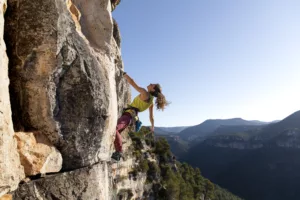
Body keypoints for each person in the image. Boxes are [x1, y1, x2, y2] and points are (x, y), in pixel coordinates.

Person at [111, 71, 169, 161]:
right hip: (132, 117)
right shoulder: (151, 102)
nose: (150, 83)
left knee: (114, 129)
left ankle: (119, 152)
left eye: (152, 85)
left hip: (128, 115)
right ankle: (117, 151)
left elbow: (132, 82)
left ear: (153, 90)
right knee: (116, 132)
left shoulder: (145, 93)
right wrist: (152, 127)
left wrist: (124, 74)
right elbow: (151, 117)